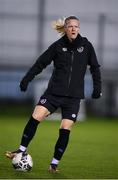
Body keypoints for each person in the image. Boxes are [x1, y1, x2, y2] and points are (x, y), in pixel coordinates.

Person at [6, 16, 102, 173]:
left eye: (76, 26)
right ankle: (21, 149)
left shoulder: (86, 46)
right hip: (53, 93)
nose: (73, 29)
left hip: (73, 97)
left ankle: (54, 164)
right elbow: (40, 63)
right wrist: (26, 79)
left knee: (65, 128)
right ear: (65, 28)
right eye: (70, 26)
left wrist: (97, 88)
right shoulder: (57, 46)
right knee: (36, 115)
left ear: (79, 28)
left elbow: (95, 68)